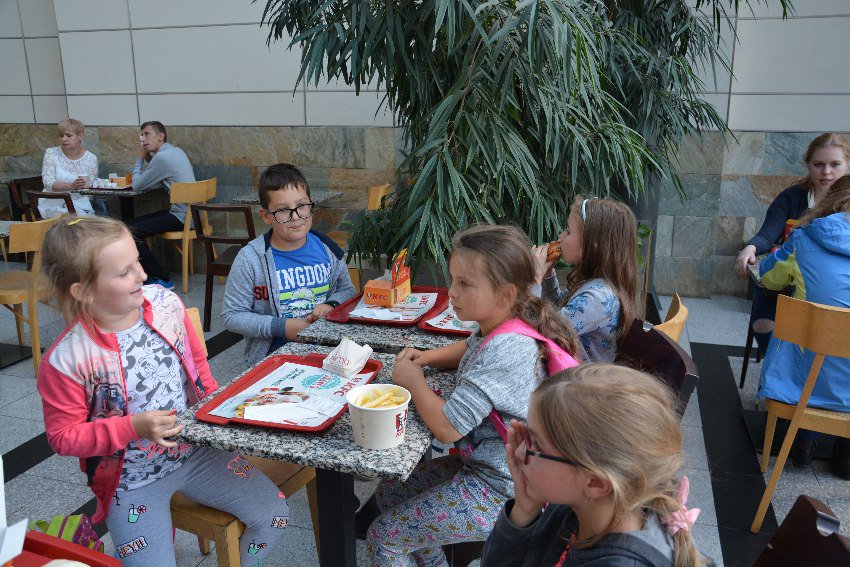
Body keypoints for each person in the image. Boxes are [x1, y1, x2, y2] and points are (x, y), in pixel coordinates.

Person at [36, 216, 289, 566]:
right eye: (124, 272)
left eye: (138, 261)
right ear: (84, 291)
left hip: (197, 454)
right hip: (130, 483)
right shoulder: (67, 359)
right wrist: (133, 427)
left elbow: (196, 364)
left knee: (275, 515)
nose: (142, 274)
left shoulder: (166, 304)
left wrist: (217, 408)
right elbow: (63, 438)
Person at [367, 224, 581, 566]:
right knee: (391, 493)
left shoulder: (509, 347)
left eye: (465, 284)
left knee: (383, 538)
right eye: (453, 280)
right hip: (485, 464)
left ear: (505, 295)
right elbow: (471, 347)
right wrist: (426, 358)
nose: (452, 292)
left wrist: (413, 381)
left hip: (505, 488)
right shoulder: (506, 321)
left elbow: (448, 428)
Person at [481, 364, 710, 566]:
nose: (520, 450)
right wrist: (525, 509)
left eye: (536, 444)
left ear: (596, 483)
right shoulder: (577, 506)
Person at [758, 175, 850, 478]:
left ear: (829, 202)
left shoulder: (803, 238)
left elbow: (768, 277)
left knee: (809, 352)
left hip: (802, 383)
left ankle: (804, 443)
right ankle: (846, 454)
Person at [221, 163, 356, 366]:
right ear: (266, 216)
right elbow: (232, 316)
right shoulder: (251, 259)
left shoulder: (328, 249)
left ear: (311, 204)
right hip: (273, 358)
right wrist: (281, 326)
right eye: (283, 210)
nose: (296, 217)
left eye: (302, 206)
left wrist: (331, 305)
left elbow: (347, 290)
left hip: (328, 352)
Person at [735, 133, 850, 356]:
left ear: (847, 164)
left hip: (832, 287)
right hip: (788, 276)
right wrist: (751, 247)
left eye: (835, 164)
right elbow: (769, 233)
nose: (826, 172)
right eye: (818, 164)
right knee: (764, 318)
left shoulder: (847, 204)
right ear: (807, 164)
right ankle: (777, 362)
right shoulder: (792, 197)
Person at [531, 196, 638, 362]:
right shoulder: (592, 282)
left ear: (591, 246)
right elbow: (558, 310)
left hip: (579, 376)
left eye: (568, 231)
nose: (560, 236)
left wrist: (535, 279)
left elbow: (542, 330)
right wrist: (547, 275)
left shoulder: (598, 298)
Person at [125, 120, 197, 290]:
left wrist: (140, 159)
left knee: (129, 231)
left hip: (182, 218)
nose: (143, 139)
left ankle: (163, 278)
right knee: (127, 226)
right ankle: (150, 274)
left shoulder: (162, 157)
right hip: (193, 215)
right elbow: (160, 172)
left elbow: (137, 185)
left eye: (147, 134)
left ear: (161, 136)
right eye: (141, 135)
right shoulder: (176, 151)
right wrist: (149, 159)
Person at [40, 118, 105, 217]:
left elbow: (89, 190)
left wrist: (90, 187)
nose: (64, 139)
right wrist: (71, 186)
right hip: (53, 203)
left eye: (69, 135)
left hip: (80, 204)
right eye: (61, 136)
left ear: (80, 136)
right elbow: (47, 182)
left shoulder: (91, 158)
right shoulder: (51, 153)